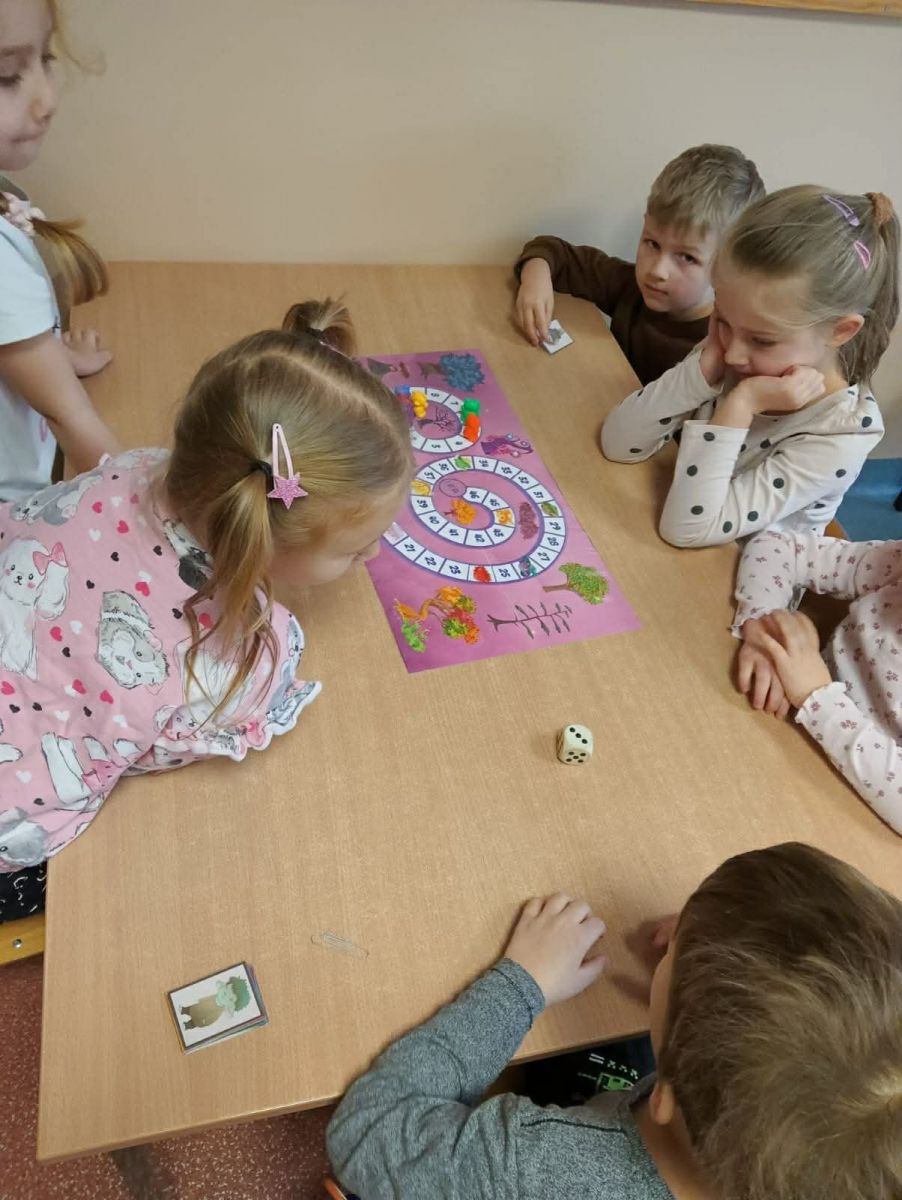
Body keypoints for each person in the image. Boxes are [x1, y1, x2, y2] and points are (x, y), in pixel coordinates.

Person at [0, 299, 413, 921]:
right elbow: (161, 746)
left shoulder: (141, 467)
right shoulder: (231, 656)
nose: (374, 555)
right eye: (356, 549)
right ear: (262, 538)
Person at [327, 843, 902, 1199]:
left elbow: (367, 1131)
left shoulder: (541, 1168)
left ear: (666, 1097)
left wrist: (519, 986)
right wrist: (711, 959)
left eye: (677, 955)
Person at [601, 186, 899, 548]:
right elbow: (617, 443)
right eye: (722, 319)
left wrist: (740, 405)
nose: (733, 355)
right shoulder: (732, 347)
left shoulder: (841, 435)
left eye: (762, 340)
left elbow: (686, 530)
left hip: (732, 576)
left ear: (840, 331)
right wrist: (699, 374)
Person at [513, 144, 764, 383]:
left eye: (687, 258)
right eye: (652, 243)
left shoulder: (722, 352)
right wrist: (536, 281)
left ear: (728, 270)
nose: (657, 271)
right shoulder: (629, 287)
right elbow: (552, 250)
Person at [0, 0, 118, 502]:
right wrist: (144, 512)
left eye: (45, 58)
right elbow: (70, 417)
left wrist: (48, 357)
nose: (47, 100)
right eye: (7, 75)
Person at [734, 529, 902, 836]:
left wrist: (816, 695)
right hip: (780, 729)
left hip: (842, 812)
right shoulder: (893, 561)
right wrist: (764, 626)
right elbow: (779, 545)